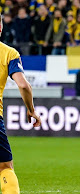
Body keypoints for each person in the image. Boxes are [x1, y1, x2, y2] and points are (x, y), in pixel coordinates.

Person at [0, 15, 41, 193]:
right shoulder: (9, 53)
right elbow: (23, 85)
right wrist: (31, 110)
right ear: (1, 28)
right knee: (5, 167)